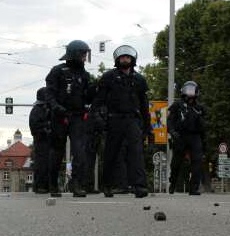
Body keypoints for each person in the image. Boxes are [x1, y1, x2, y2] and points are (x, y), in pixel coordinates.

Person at [92, 44, 151, 198]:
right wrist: (98, 118)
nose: (125, 59)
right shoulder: (109, 77)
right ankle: (108, 185)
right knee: (111, 152)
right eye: (122, 57)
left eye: (128, 57)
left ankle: (140, 186)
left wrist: (147, 127)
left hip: (132, 120)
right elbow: (98, 101)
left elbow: (144, 105)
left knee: (136, 153)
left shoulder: (139, 79)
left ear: (132, 59)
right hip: (114, 120)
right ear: (117, 60)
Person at [43, 40, 95, 197]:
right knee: (56, 151)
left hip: (78, 117)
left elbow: (87, 98)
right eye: (83, 54)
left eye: (86, 54)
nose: (85, 57)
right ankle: (52, 184)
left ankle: (77, 184)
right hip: (59, 116)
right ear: (74, 54)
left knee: (80, 151)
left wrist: (93, 91)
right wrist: (55, 107)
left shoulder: (84, 75)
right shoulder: (57, 71)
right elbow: (49, 93)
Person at [167, 80, 206, 195]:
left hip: (195, 136)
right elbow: (170, 120)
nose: (190, 93)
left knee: (197, 161)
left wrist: (203, 139)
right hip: (180, 136)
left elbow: (204, 126)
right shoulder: (177, 105)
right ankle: (173, 182)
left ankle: (193, 187)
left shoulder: (199, 108)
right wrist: (172, 131)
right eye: (187, 90)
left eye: (192, 90)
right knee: (176, 163)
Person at [28, 87, 53, 194]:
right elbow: (34, 126)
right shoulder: (37, 110)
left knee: (47, 163)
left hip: (46, 141)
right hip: (41, 141)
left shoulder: (44, 109)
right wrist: (46, 127)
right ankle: (40, 186)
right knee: (41, 164)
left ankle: (45, 185)